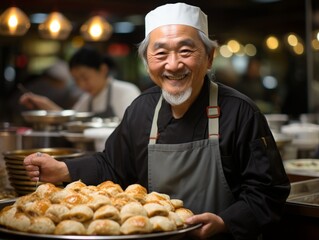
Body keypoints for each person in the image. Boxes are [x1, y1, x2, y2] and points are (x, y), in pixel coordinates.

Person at [23, 3, 290, 240]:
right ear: (147, 60)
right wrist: (63, 170)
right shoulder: (142, 109)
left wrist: (224, 222)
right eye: (161, 53)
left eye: (186, 51)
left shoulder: (241, 113)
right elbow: (112, 165)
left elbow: (269, 192)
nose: (173, 65)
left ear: (209, 57)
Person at [19, 46, 141, 119]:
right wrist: (45, 104)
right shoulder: (87, 99)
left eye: (85, 77)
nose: (82, 85)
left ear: (103, 70)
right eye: (76, 80)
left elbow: (133, 132)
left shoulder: (127, 91)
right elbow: (71, 120)